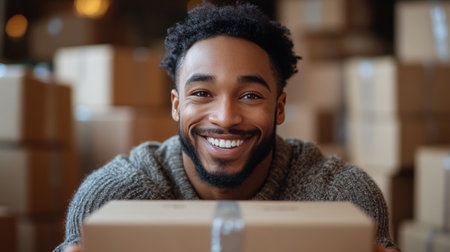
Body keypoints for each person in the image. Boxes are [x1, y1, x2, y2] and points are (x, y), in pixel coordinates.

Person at [56, 2, 399, 252]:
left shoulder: (340, 200)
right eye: (202, 93)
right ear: (177, 106)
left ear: (279, 108)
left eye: (250, 95)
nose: (225, 118)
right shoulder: (113, 199)